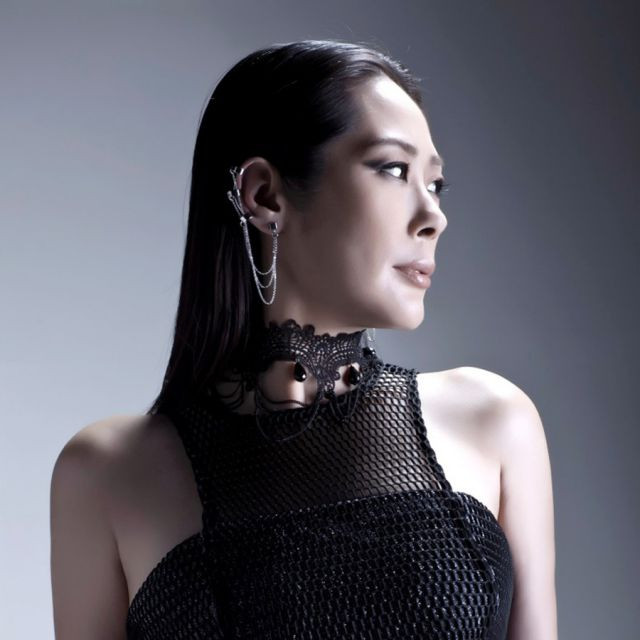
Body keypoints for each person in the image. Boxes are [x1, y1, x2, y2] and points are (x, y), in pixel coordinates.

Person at [50, 39, 557, 639]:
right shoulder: (107, 473)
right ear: (264, 194)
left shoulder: (491, 421)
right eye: (394, 170)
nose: (433, 216)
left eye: (436, 184)